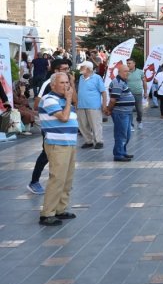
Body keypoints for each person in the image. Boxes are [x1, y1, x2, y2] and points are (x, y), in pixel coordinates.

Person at [37, 72, 80, 226]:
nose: (66, 86)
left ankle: (60, 209)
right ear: (53, 84)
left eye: (67, 83)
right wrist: (68, 100)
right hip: (57, 144)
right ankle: (47, 213)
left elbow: (76, 102)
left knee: (67, 179)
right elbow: (63, 117)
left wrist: (70, 94)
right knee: (57, 178)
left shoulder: (63, 99)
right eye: (62, 83)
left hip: (69, 143)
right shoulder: (49, 99)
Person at [28, 59, 72, 195]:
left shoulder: (67, 84)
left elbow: (74, 101)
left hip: (62, 129)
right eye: (63, 69)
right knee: (46, 154)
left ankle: (59, 182)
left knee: (51, 156)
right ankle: (34, 181)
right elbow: (37, 102)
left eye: (68, 69)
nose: (67, 72)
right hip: (51, 127)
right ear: (56, 71)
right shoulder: (48, 84)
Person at [105, 66, 135, 162]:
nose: (128, 73)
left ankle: (123, 152)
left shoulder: (122, 82)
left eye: (128, 71)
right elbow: (113, 99)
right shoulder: (117, 82)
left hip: (126, 112)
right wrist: (109, 110)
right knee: (121, 134)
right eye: (125, 71)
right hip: (121, 113)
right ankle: (118, 154)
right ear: (119, 72)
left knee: (127, 134)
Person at [75, 60, 107, 149]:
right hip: (81, 105)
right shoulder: (81, 77)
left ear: (88, 69)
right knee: (83, 125)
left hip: (93, 105)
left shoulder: (97, 78)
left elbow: (103, 92)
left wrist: (104, 105)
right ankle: (88, 141)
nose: (80, 69)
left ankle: (99, 141)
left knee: (95, 124)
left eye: (82, 67)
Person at [126, 58, 147, 129]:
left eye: (129, 63)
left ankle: (139, 121)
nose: (128, 65)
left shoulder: (140, 72)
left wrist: (145, 92)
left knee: (139, 110)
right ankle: (131, 124)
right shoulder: (125, 72)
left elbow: (144, 82)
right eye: (127, 63)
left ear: (134, 64)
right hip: (128, 94)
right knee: (129, 110)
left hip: (138, 93)